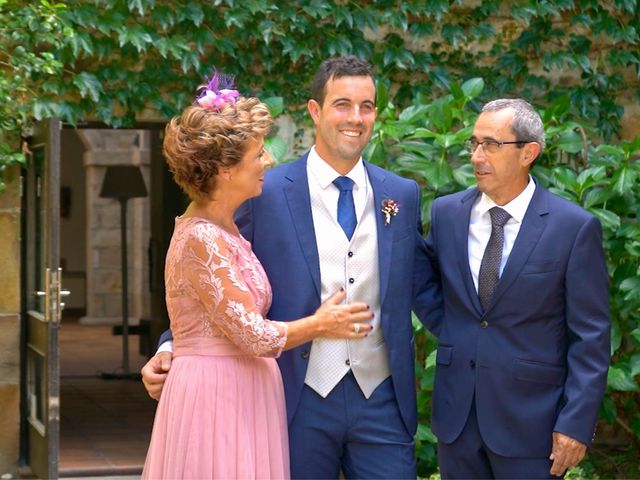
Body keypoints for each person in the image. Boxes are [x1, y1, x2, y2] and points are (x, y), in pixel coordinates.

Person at [142, 56, 441, 478]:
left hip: (381, 401)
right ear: (315, 111)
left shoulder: (402, 194)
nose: (356, 118)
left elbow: (425, 290)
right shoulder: (262, 192)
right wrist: (173, 347)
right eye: (342, 104)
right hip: (296, 398)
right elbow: (214, 279)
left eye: (367, 106)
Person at [426, 98, 610, 478]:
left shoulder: (573, 228)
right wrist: (454, 332)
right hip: (457, 419)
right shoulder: (446, 214)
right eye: (473, 143)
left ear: (529, 152)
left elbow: (590, 337)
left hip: (532, 425)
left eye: (491, 145)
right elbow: (427, 288)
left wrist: (575, 423)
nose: (477, 156)